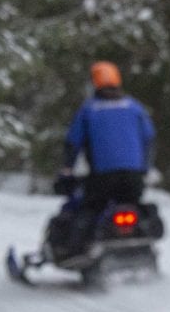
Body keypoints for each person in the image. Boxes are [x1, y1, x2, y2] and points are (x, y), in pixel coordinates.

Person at [49, 60, 155, 259]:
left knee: (88, 208)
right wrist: (144, 168)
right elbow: (149, 138)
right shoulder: (134, 107)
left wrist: (67, 170)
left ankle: (77, 252)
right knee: (134, 206)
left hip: (102, 177)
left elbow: (73, 142)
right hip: (134, 179)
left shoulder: (89, 110)